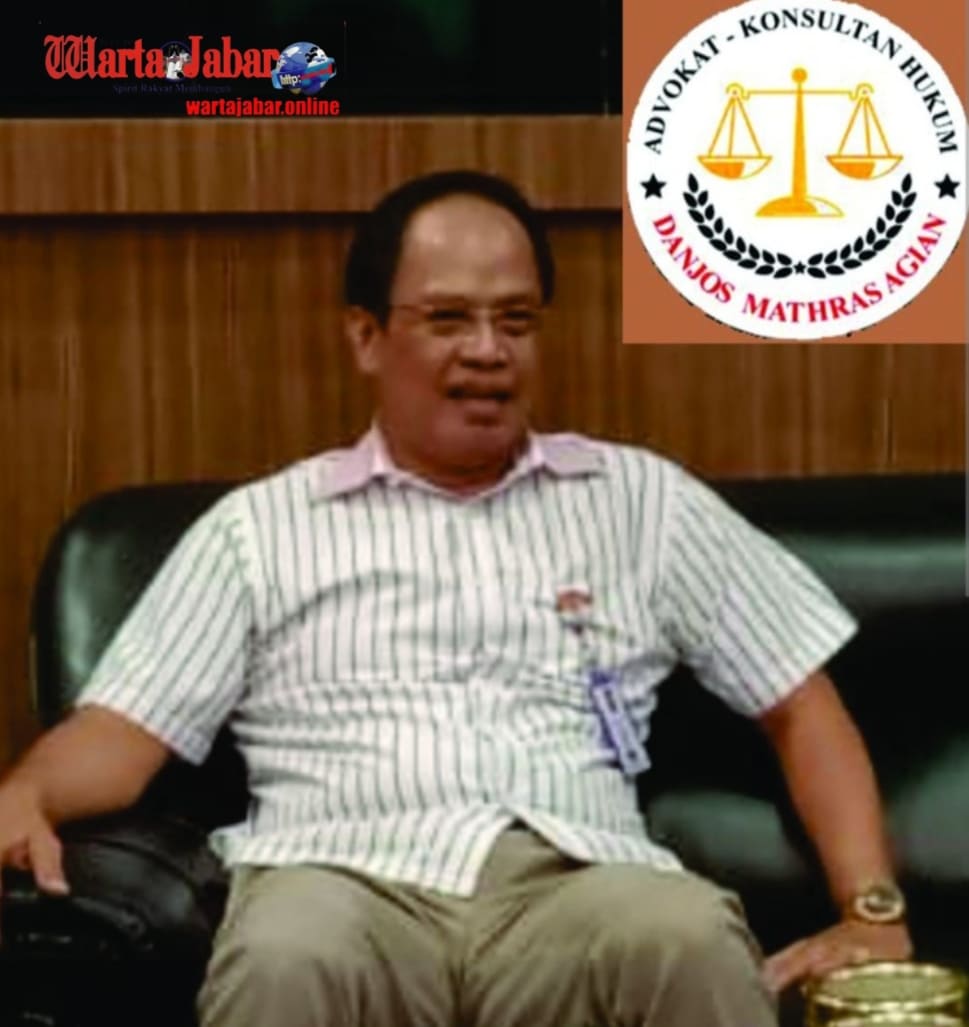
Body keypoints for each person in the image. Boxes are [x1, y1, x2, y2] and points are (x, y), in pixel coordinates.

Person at [0, 170, 912, 1027]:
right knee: (281, 953)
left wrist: (870, 910)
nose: (487, 350)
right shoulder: (260, 529)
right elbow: (124, 732)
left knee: (687, 935)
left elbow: (800, 703)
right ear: (366, 335)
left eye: (515, 320)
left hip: (576, 883)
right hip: (339, 881)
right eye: (446, 319)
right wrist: (27, 791)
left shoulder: (641, 502)